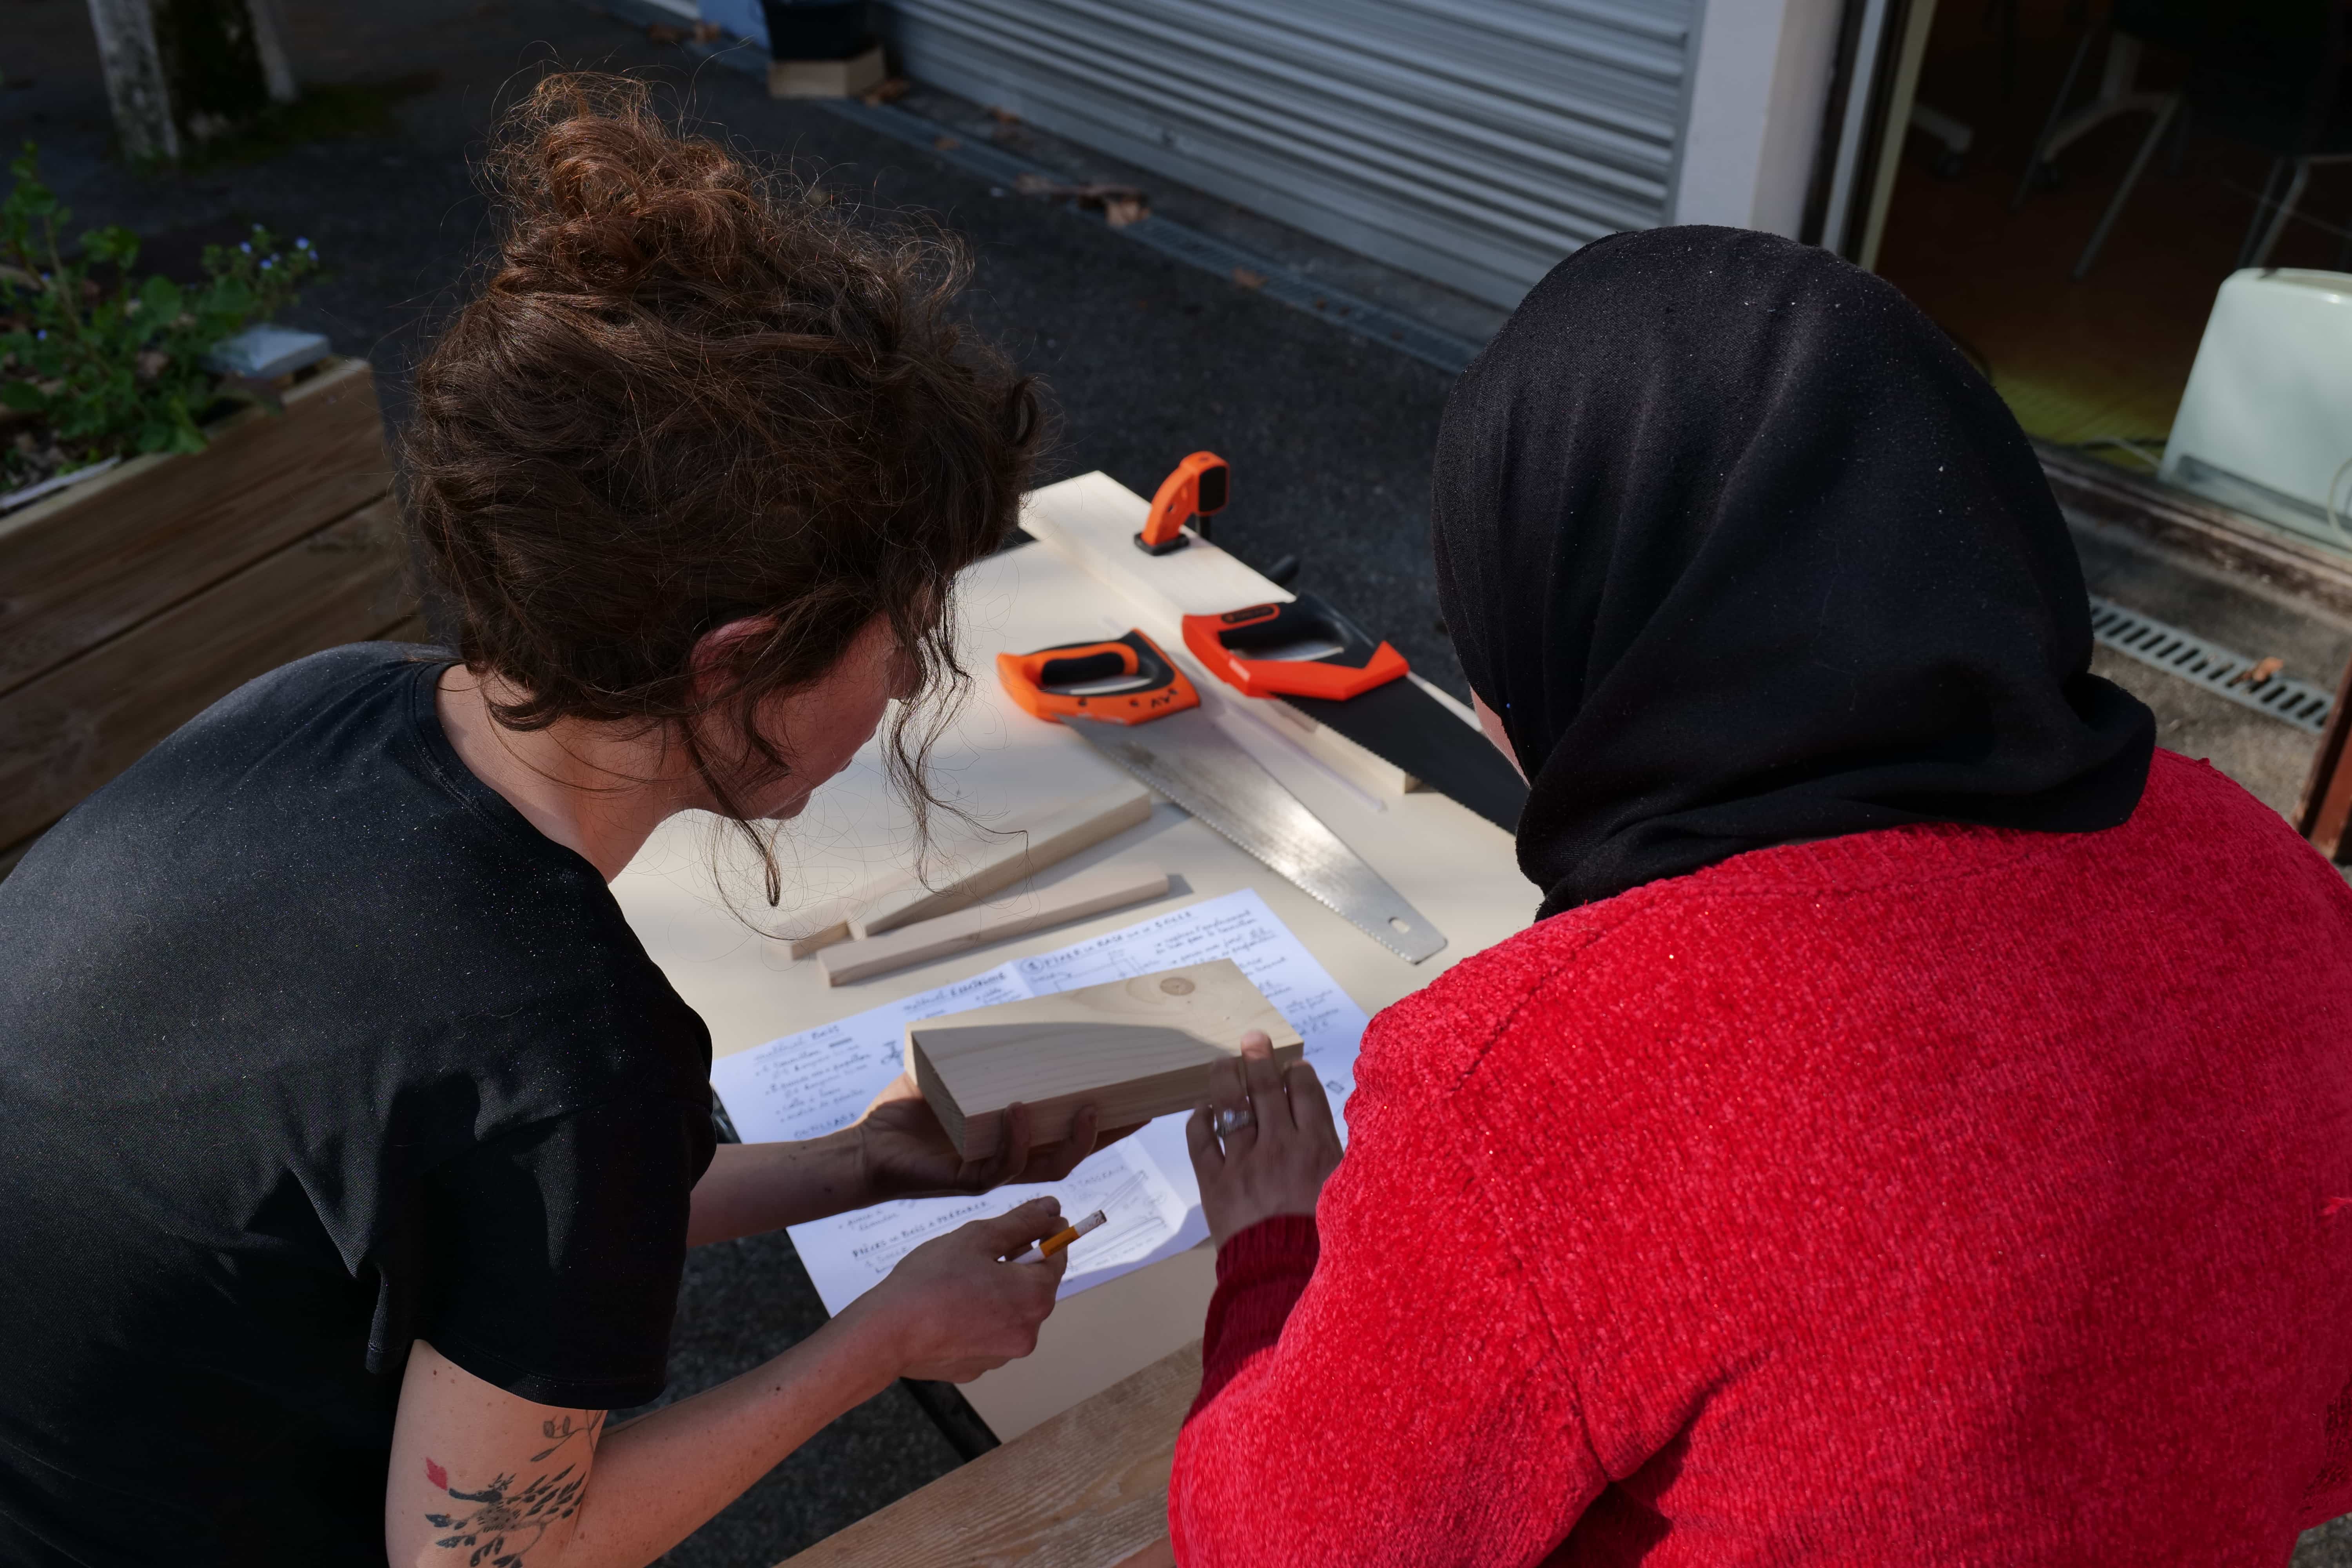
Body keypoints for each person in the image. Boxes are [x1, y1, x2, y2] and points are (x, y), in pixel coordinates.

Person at [0, 74, 1124, 1566]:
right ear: (742, 666)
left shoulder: (339, 701)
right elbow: (483, 1555)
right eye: (905, 630)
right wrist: (882, 1337)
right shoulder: (565, 1039)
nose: (915, 675)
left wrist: (854, 1170)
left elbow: (460, 1192)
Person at [1169, 226, 2352, 1565]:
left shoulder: (1523, 1086)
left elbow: (1277, 1547)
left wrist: (1277, 1248)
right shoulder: (2268, 872)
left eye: (1481, 630)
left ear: (1579, 620)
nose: (1488, 701)